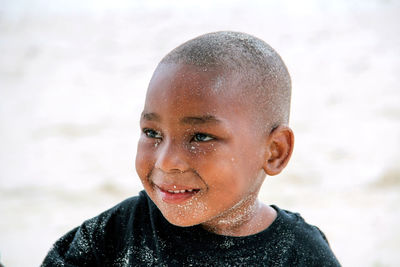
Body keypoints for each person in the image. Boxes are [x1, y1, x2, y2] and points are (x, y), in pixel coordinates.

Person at [42, 31, 340, 266]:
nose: (167, 161)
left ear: (274, 151)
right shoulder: (117, 234)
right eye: (152, 133)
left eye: (200, 137)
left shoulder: (301, 255)